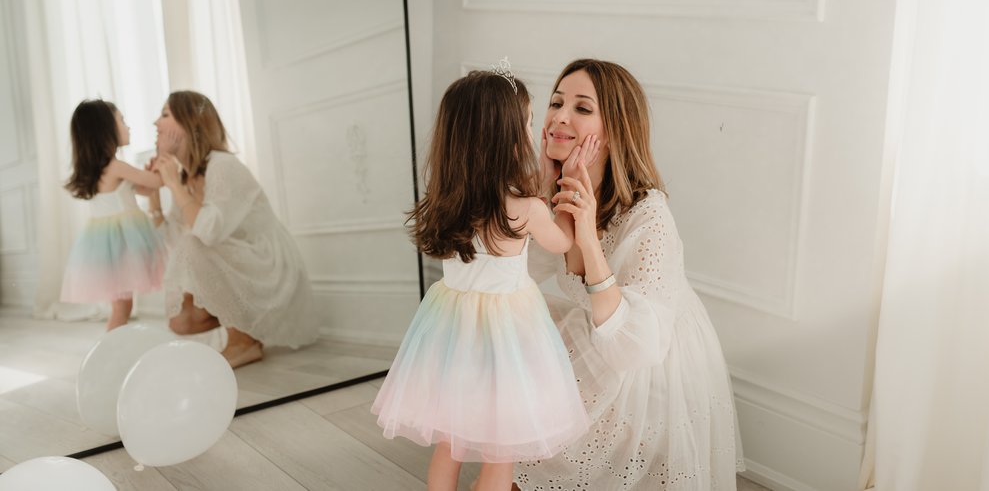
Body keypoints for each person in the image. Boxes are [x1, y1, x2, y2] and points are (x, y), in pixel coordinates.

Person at [514, 59, 744, 490]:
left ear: (616, 129)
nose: (560, 117)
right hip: (598, 334)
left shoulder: (649, 215)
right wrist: (541, 187)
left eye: (582, 109)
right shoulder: (558, 188)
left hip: (647, 352)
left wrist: (585, 237)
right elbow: (517, 273)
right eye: (556, 102)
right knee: (505, 319)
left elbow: (636, 346)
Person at [371, 68, 595, 491]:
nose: (533, 132)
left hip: (450, 330)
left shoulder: (444, 201)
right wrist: (567, 182)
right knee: (501, 450)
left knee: (450, 442)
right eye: (527, 123)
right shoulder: (524, 208)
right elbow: (565, 240)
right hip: (507, 335)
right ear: (507, 137)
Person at [146, 91, 318, 368]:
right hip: (240, 262)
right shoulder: (187, 176)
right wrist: (154, 197)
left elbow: (207, 234)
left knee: (195, 243)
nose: (156, 123)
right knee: (181, 321)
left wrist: (175, 188)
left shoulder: (223, 166)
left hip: (269, 266)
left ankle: (244, 341)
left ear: (190, 124)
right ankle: (246, 327)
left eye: (165, 114)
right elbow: (173, 241)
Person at [61, 99, 167, 330]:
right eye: (122, 120)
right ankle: (110, 352)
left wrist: (150, 172)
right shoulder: (116, 166)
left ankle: (116, 346)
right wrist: (164, 158)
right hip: (121, 241)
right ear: (104, 131)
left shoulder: (106, 168)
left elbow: (146, 189)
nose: (128, 126)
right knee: (121, 308)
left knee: (122, 306)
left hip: (109, 243)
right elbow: (159, 182)